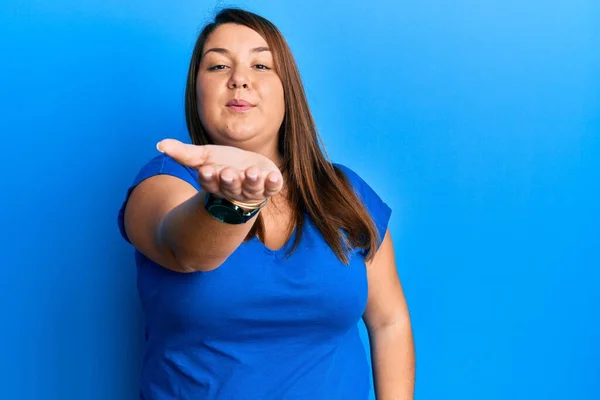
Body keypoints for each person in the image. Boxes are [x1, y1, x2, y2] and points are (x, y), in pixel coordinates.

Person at [117, 7, 415, 400]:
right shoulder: (161, 182)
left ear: (287, 89)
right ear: (196, 90)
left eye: (261, 65)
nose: (240, 79)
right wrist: (233, 201)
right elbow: (186, 251)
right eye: (219, 66)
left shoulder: (345, 192)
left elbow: (388, 321)